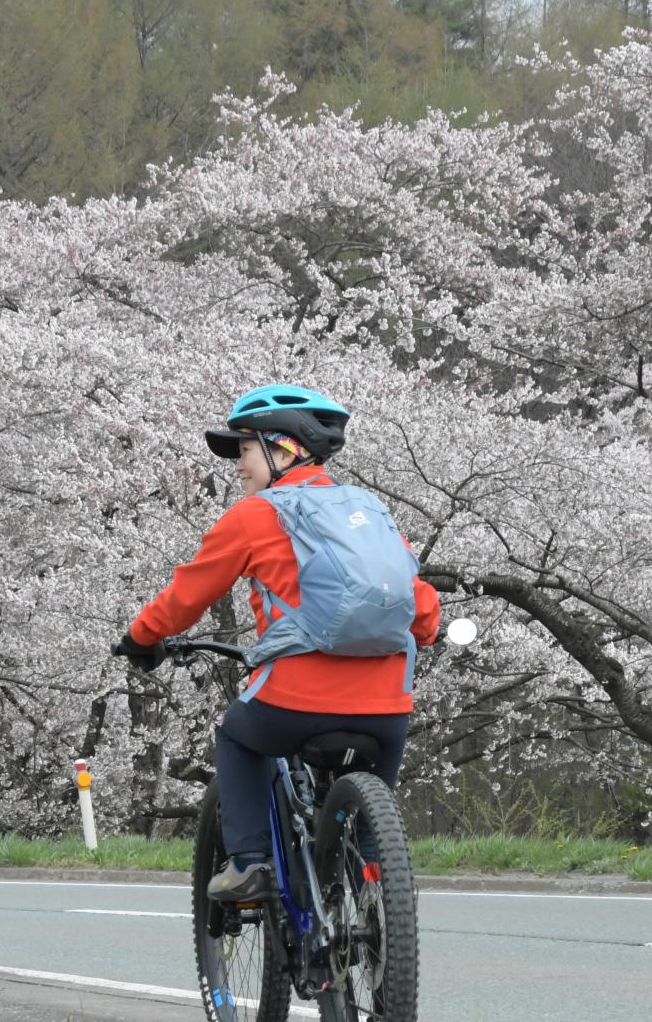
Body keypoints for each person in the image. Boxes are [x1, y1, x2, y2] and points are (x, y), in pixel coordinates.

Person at [115, 384, 440, 901]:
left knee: (238, 736)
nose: (239, 466)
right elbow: (416, 601)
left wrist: (140, 637)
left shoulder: (256, 515)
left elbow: (187, 595)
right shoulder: (369, 512)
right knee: (366, 841)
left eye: (244, 450)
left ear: (283, 450)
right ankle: (375, 889)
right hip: (387, 711)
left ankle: (251, 863)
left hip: (293, 703)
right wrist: (420, 635)